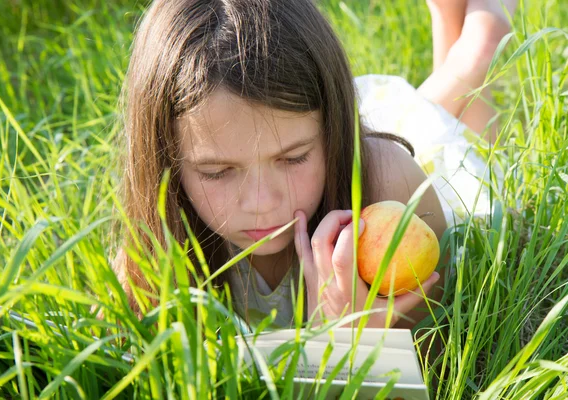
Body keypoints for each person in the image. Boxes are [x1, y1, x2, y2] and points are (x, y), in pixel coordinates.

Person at [110, 0, 515, 332]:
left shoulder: (391, 187)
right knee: (435, 106)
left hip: (401, 177)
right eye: (217, 172)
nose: (261, 203)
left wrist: (362, 339)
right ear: (164, 160)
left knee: (456, 117)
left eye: (292, 158)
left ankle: (483, 35)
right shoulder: (153, 244)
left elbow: (444, 368)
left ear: (333, 131)